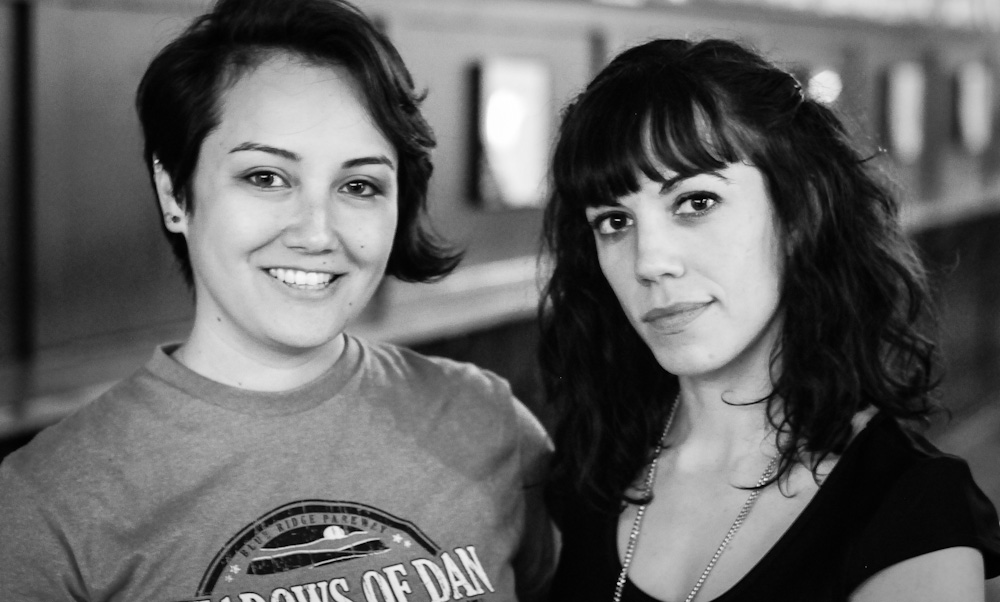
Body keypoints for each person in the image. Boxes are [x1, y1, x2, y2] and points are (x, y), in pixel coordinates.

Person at [0, 0, 556, 600]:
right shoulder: (47, 504)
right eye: (265, 177)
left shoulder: (487, 420)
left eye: (359, 185)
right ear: (174, 192)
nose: (317, 233)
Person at [539, 37, 1000, 601]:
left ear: (798, 211)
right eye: (614, 220)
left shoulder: (909, 509)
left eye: (696, 202)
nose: (649, 262)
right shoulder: (587, 468)